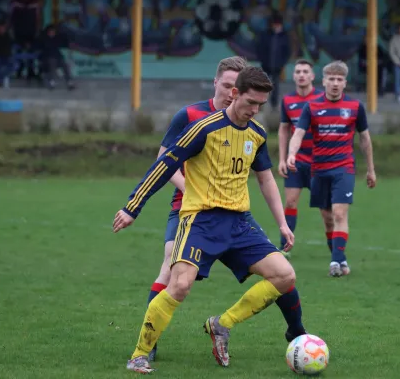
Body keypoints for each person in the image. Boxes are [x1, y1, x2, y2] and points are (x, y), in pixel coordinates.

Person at [113, 67, 302, 374]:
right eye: (250, 102)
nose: (255, 110)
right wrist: (133, 207)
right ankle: (140, 353)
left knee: (285, 276)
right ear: (234, 93)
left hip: (240, 223)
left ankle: (222, 324)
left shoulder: (256, 133)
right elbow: (164, 165)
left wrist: (281, 223)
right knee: (180, 284)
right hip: (200, 220)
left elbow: (265, 178)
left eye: (260, 106)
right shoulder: (204, 127)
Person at [286, 61, 376, 277]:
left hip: (344, 168)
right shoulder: (312, 107)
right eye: (331, 79)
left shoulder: (355, 107)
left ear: (344, 83)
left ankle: (335, 261)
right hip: (319, 169)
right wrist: (291, 154)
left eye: (339, 80)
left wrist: (371, 169)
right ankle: (340, 258)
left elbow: (365, 138)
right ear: (324, 81)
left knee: (339, 213)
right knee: (327, 218)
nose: (335, 83)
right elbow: (298, 133)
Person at [277, 59, 323, 256]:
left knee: (325, 208)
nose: (302, 75)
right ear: (293, 76)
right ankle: (284, 247)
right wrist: (282, 158)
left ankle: (336, 250)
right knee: (290, 203)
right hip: (296, 161)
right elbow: (283, 130)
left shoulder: (322, 99)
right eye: (298, 71)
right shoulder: (288, 101)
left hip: (319, 162)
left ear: (312, 76)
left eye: (306, 71)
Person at [255, 12, 291, 112]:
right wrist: (262, 59)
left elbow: (287, 51)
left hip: (277, 66)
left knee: (275, 86)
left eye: (278, 24)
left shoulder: (284, 36)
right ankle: (260, 103)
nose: (276, 27)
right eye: (275, 24)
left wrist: (282, 62)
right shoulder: (265, 34)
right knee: (263, 85)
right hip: (266, 64)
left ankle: (274, 106)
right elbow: (260, 48)